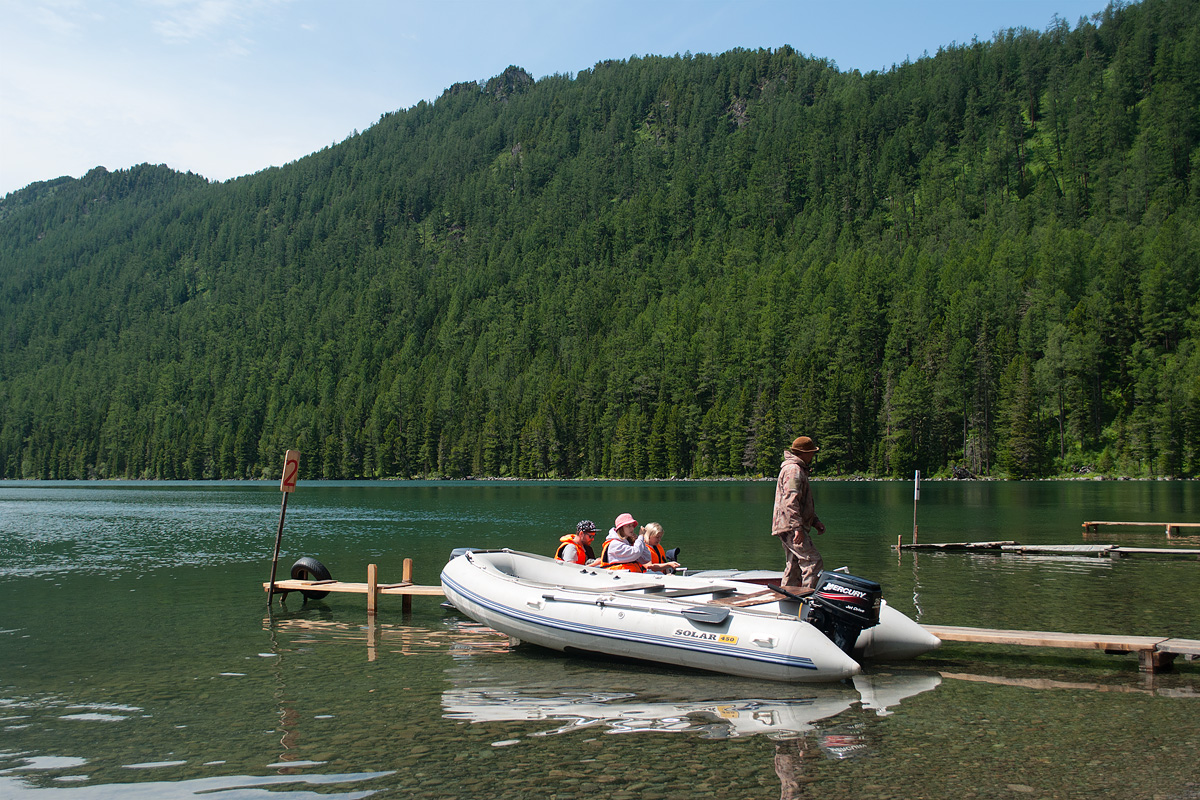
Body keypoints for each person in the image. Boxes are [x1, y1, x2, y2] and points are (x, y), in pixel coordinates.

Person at [771, 436, 826, 590]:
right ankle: (808, 597)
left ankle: (787, 596)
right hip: (790, 525)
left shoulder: (796, 468)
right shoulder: (793, 470)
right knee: (813, 561)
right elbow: (790, 500)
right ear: (804, 453)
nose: (813, 456)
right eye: (811, 452)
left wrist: (814, 521)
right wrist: (797, 528)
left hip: (788, 524)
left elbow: (802, 502)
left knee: (794, 563)